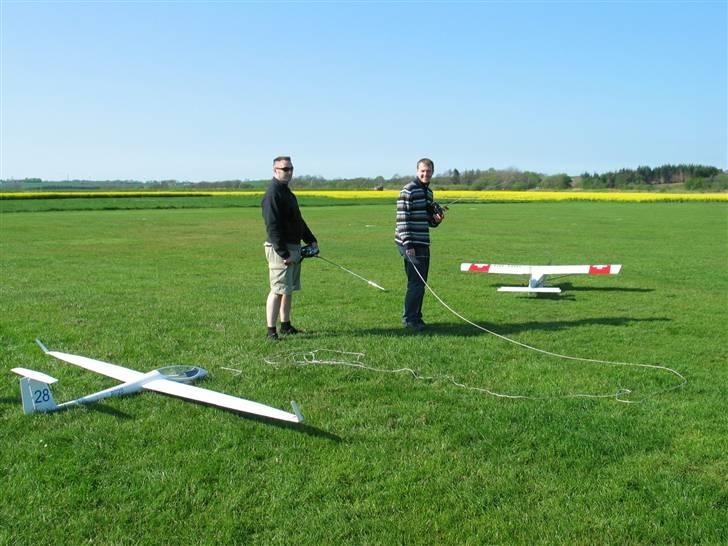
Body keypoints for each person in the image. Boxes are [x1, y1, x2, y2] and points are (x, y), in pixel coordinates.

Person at [261, 156, 318, 340]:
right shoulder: (273, 194)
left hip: (293, 246)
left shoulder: (287, 193)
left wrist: (311, 240)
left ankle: (286, 326)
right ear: (275, 170)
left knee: (288, 289)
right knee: (277, 290)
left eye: (291, 168)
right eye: (285, 169)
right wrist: (284, 254)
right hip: (281, 249)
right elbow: (272, 226)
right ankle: (271, 332)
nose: (289, 172)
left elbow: (298, 221)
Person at [395, 158, 444, 330]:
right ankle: (409, 320)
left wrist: (436, 219)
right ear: (417, 171)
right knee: (415, 283)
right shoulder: (408, 190)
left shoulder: (429, 193)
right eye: (422, 171)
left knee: (421, 283)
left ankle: (416, 317)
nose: (425, 174)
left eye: (428, 171)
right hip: (409, 243)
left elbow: (428, 222)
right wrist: (408, 246)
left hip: (423, 241)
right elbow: (402, 220)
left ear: (432, 172)